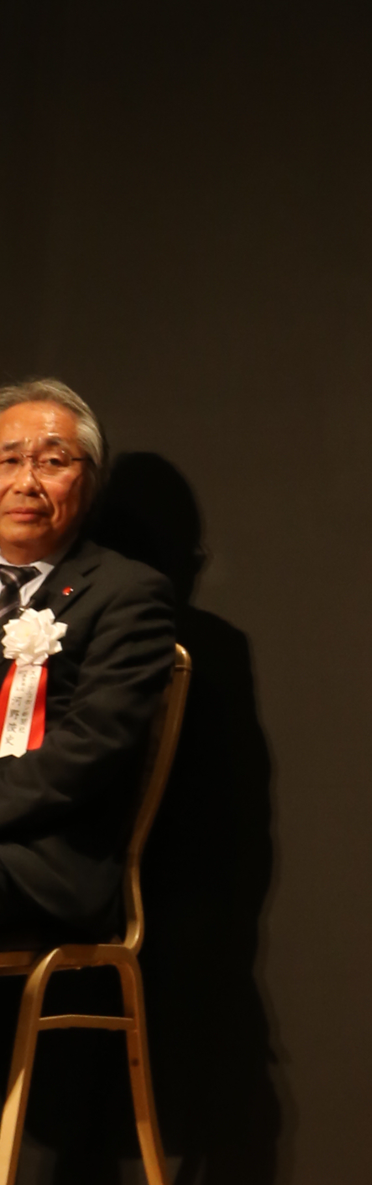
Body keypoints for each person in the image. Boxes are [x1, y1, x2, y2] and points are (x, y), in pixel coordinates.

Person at [0, 380, 179, 947]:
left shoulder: (127, 593)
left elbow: (91, 747)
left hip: (38, 863)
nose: (25, 482)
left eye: (52, 462)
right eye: (8, 460)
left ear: (90, 479)